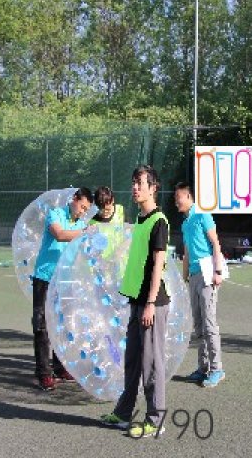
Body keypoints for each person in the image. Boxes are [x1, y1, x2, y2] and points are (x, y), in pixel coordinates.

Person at [100, 165, 170, 438]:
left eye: (140, 183)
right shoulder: (141, 220)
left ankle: (156, 419)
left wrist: (150, 303)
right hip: (137, 300)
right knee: (132, 361)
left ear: (153, 188)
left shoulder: (159, 221)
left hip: (153, 303)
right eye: (133, 183)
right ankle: (123, 413)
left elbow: (158, 266)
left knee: (151, 363)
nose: (135, 187)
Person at [32, 187, 94, 391]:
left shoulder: (81, 223)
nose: (83, 212)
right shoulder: (56, 214)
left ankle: (60, 368)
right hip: (45, 278)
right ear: (74, 199)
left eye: (86, 210)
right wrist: (84, 234)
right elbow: (59, 235)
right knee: (41, 326)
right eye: (82, 207)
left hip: (65, 281)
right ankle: (44, 373)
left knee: (62, 325)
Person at [174, 182, 226, 388]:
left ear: (188, 197)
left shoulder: (202, 215)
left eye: (178, 197)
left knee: (209, 323)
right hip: (194, 276)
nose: (176, 201)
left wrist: (218, 271)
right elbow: (187, 252)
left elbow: (215, 243)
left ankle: (217, 369)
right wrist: (184, 276)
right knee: (198, 323)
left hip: (207, 274)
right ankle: (202, 368)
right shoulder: (185, 223)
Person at [90, 186, 126, 258]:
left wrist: (120, 250)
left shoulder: (121, 210)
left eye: (108, 209)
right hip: (104, 261)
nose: (104, 212)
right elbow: (93, 247)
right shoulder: (93, 222)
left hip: (121, 258)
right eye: (101, 209)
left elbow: (129, 233)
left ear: (113, 200)